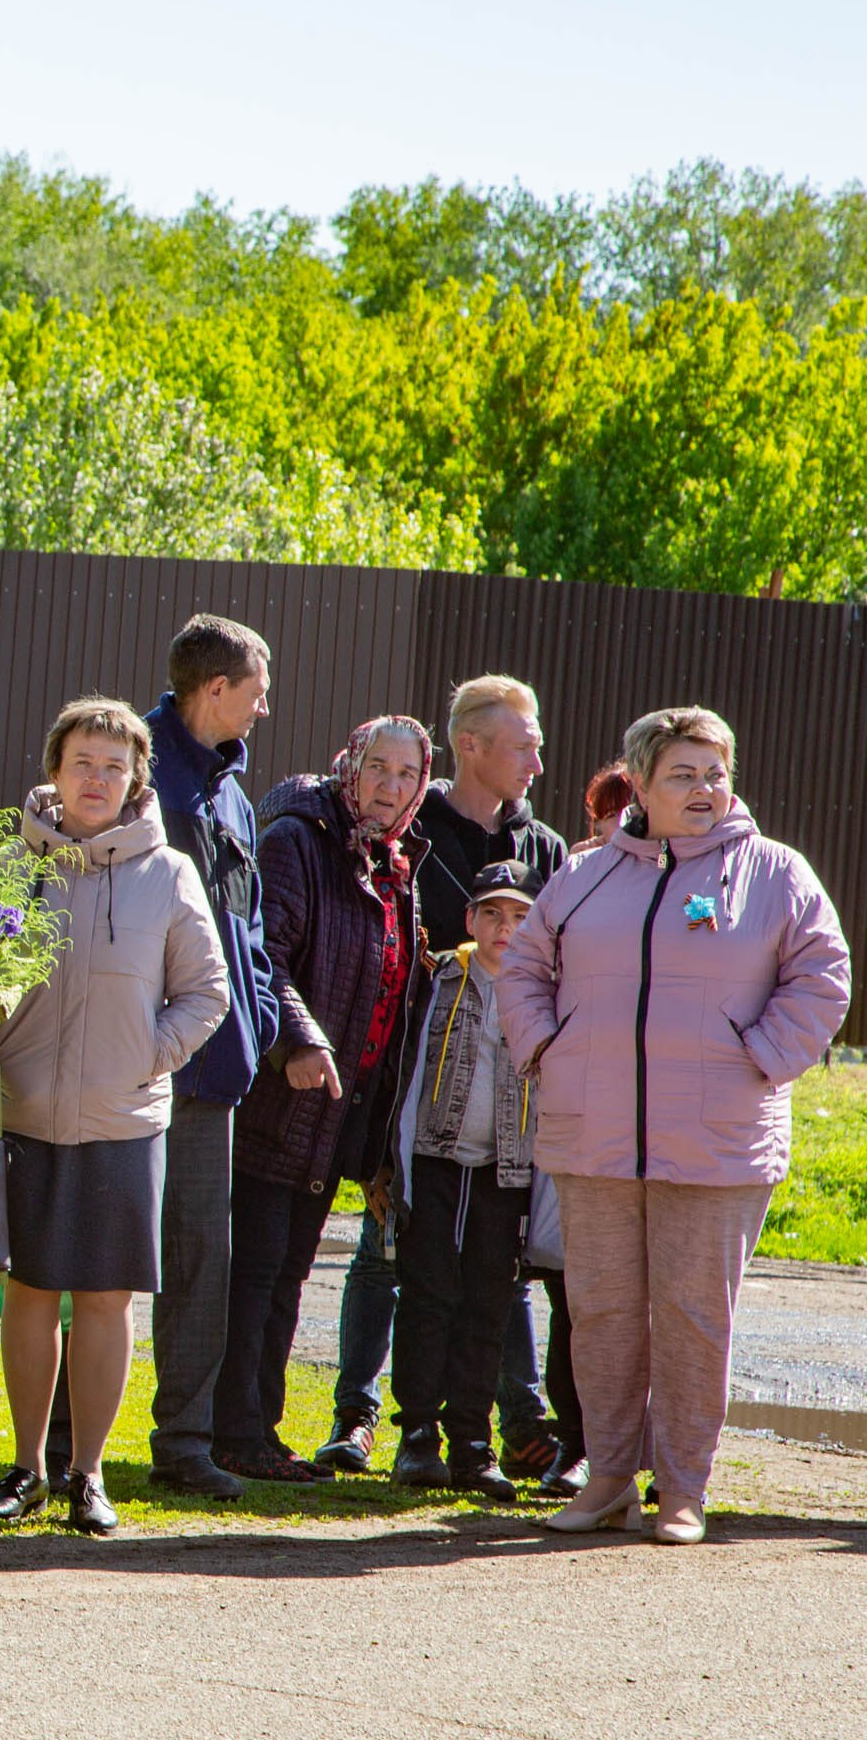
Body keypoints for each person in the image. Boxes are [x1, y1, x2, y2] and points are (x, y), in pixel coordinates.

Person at [500, 707, 849, 1544]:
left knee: (695, 1317)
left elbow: (823, 978)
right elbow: (522, 967)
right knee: (604, 1314)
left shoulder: (775, 873)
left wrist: (756, 1054)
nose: (704, 789)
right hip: (596, 1134)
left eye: (715, 773)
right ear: (642, 783)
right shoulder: (583, 875)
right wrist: (548, 1046)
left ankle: (683, 1489)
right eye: (684, 774)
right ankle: (609, 1479)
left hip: (718, 1140)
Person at [0, 699, 227, 1533]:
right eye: (83, 760)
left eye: (114, 765)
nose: (97, 778)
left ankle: (88, 1474)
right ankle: (25, 1468)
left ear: (135, 779)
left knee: (106, 1299)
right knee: (28, 1291)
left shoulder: (170, 873)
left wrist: (141, 1059)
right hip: (21, 1114)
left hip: (124, 1120)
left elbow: (206, 994)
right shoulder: (9, 863)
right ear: (54, 767)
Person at [320, 676, 568, 1479]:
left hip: (507, 1122)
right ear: (470, 745)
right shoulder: (408, 827)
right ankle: (364, 1417)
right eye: (523, 740)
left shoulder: (546, 850)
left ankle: (499, 1425)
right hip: (414, 1097)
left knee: (495, 1280)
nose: (537, 757)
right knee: (392, 1260)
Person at [90, 614, 281, 1502]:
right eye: (255, 690)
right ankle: (63, 1446)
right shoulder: (131, 770)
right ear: (215, 692)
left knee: (202, 1255)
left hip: (214, 1068)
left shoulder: (233, 787)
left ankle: (185, 1442)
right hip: (128, 1063)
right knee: (97, 1254)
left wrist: (273, 1022)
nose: (264, 706)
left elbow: (245, 924)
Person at [218, 716, 431, 1484]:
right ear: (349, 763)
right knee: (255, 1272)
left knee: (286, 1273)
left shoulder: (393, 863)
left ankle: (256, 1431)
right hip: (278, 1099)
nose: (391, 785)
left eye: (408, 774)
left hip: (332, 1113)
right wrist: (299, 1041)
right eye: (378, 767)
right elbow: (262, 959)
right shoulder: (299, 841)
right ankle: (232, 1432)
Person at [383, 860, 546, 1505]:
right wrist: (387, 1166)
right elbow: (402, 1070)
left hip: (506, 1169)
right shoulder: (437, 979)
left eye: (520, 917)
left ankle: (473, 1443)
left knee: (489, 1302)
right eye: (492, 914)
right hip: (435, 1157)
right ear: (470, 920)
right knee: (427, 1294)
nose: (505, 928)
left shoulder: (543, 990)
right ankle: (417, 1434)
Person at [574, 761, 635, 854]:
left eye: (629, 810)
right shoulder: (587, 858)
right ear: (600, 824)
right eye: (612, 815)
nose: (621, 822)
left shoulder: (661, 855)